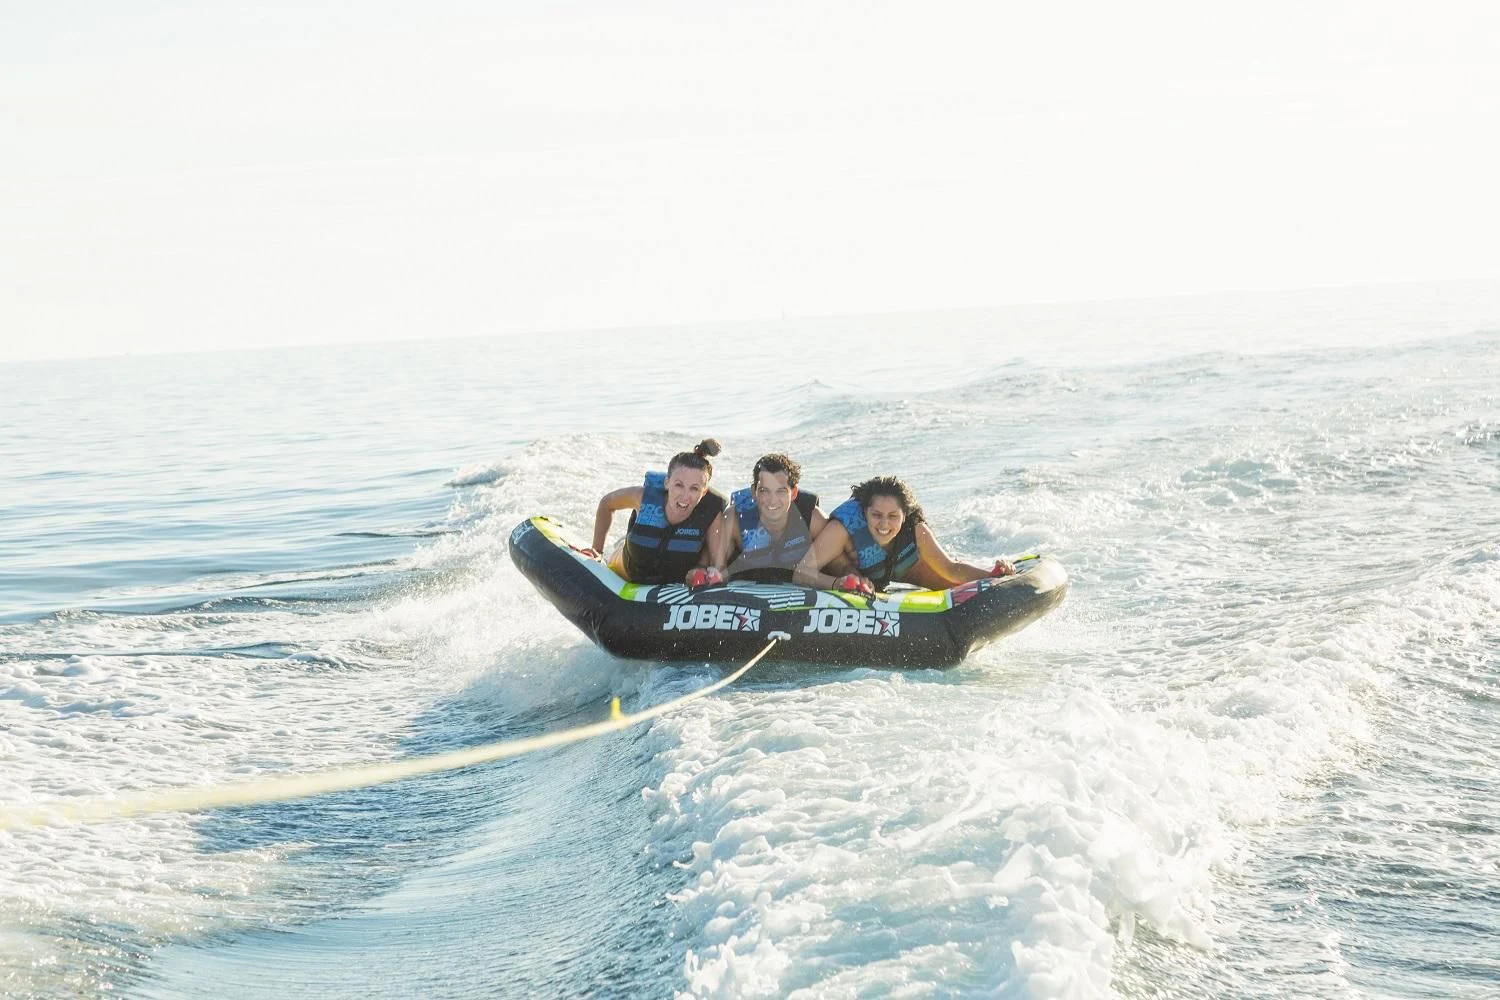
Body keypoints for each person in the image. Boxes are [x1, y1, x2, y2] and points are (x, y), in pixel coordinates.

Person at [794, 475, 1015, 595]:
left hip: (899, 567)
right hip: (850, 572)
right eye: (876, 515)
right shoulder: (843, 529)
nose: (884, 524)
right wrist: (838, 584)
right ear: (864, 512)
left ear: (904, 515)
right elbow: (802, 573)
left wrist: (993, 575)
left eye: (893, 516)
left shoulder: (915, 529)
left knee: (952, 586)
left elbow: (951, 568)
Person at [591, 439, 726, 585]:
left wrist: (701, 569)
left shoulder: (711, 513)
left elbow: (717, 563)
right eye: (679, 485)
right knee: (619, 549)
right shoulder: (643, 497)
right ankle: (618, 544)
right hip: (627, 567)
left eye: (694, 489)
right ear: (667, 483)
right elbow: (607, 503)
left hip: (671, 580)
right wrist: (597, 551)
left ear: (704, 492)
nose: (685, 496)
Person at [707, 453, 826, 584]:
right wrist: (714, 575)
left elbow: (838, 565)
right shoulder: (734, 519)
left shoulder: (812, 519)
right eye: (764, 491)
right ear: (754, 492)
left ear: (793, 493)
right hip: (747, 583)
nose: (772, 500)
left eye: (781, 491)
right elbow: (718, 569)